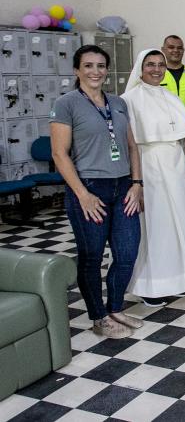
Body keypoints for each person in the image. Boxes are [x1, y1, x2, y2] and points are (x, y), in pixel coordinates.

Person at [50, 44, 144, 338]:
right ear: (77, 70)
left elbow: (131, 146)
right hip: (90, 188)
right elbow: (59, 154)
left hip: (123, 186)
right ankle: (98, 317)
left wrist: (137, 184)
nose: (95, 71)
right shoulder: (66, 103)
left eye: (101, 66)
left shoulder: (117, 102)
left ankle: (115, 307)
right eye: (88, 65)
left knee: (127, 251)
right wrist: (82, 194)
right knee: (91, 256)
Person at [122, 49, 185, 306]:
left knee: (180, 223)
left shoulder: (171, 97)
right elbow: (131, 143)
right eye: (150, 64)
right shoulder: (129, 100)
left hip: (175, 167)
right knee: (156, 226)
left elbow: (183, 137)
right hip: (148, 167)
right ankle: (151, 286)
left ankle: (180, 279)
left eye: (160, 65)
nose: (156, 69)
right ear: (140, 68)